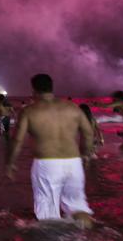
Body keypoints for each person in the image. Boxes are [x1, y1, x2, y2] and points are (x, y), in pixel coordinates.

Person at [6, 74, 95, 228]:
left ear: (33, 90)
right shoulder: (72, 107)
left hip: (47, 165)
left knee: (48, 214)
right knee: (78, 207)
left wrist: (10, 163)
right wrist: (86, 155)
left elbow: (17, 140)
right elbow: (88, 133)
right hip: (74, 163)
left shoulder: (29, 111)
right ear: (51, 88)